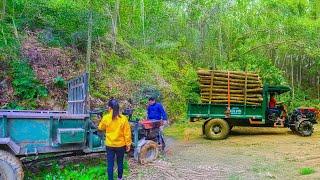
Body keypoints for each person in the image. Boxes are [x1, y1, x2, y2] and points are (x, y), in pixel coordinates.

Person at [98, 99, 132, 180]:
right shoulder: (123, 118)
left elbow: (100, 128)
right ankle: (120, 178)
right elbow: (127, 133)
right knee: (120, 163)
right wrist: (128, 144)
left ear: (109, 108)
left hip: (109, 145)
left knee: (110, 164)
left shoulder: (106, 118)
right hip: (121, 145)